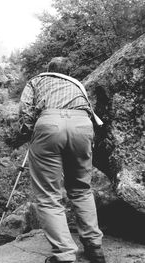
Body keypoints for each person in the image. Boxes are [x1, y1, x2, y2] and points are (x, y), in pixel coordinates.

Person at [19, 57, 106, 263]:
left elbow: (25, 110)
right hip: (82, 126)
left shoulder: (37, 81)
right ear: (68, 72)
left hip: (49, 125)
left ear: (49, 69)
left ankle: (65, 255)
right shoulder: (77, 85)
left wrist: (28, 132)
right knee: (81, 188)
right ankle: (95, 248)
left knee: (49, 195)